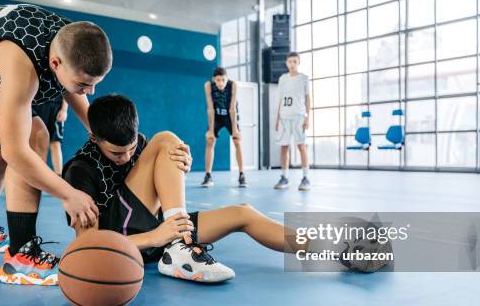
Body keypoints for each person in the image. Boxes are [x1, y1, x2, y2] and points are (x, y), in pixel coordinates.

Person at [0, 4, 112, 285]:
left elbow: (73, 87)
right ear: (55, 63)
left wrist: (98, 132)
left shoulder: (72, 40)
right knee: (34, 136)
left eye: (96, 84)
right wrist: (68, 194)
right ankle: (21, 256)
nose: (90, 91)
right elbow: (16, 152)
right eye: (84, 83)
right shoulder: (22, 63)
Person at [63, 94, 310, 283]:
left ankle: (334, 249)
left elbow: (152, 192)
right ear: (94, 138)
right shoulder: (81, 169)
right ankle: (179, 246)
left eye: (131, 147)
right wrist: (155, 237)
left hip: (165, 230)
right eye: (117, 153)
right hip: (131, 241)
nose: (127, 157)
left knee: (243, 213)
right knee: (165, 139)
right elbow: (88, 245)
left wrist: (178, 164)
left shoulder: (140, 145)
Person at [201, 67, 246, 188]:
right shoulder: (208, 86)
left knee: (237, 141)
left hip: (230, 115)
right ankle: (208, 175)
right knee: (210, 140)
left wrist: (235, 130)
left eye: (223, 80)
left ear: (227, 79)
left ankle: (242, 175)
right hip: (216, 116)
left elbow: (232, 108)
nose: (220, 83)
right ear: (214, 79)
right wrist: (211, 130)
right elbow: (210, 108)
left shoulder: (233, 85)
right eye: (218, 80)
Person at [274, 52, 311, 191]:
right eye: (290, 61)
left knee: (301, 146)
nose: (292, 64)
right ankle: (284, 177)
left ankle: (305, 178)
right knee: (284, 147)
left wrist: (308, 117)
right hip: (284, 117)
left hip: (299, 116)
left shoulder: (304, 78)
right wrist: (277, 118)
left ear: (299, 62)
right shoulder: (282, 78)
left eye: (295, 61)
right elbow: (279, 99)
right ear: (286, 63)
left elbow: (308, 99)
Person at [33, 97, 68, 175]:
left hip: (55, 107)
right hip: (37, 106)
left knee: (56, 143)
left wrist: (64, 109)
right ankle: (41, 175)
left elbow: (66, 90)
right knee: (40, 144)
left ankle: (59, 176)